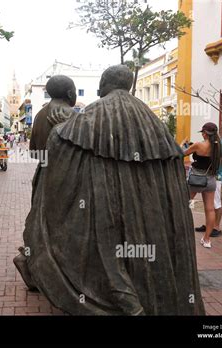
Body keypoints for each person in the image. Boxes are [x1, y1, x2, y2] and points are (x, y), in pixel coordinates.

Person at [17, 65, 204, 315]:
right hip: (146, 219)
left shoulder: (87, 117)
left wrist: (61, 130)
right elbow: (171, 162)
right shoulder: (153, 121)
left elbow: (59, 148)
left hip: (106, 205)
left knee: (107, 251)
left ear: (104, 84)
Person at [13, 75, 77, 291]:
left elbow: (34, 151)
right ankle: (50, 274)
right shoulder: (69, 115)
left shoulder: (40, 114)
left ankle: (31, 263)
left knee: (41, 223)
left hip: (43, 174)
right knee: (62, 228)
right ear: (70, 93)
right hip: (65, 178)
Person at [182, 122, 222, 249]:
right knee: (210, 210)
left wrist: (183, 143)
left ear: (205, 133)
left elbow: (181, 153)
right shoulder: (218, 146)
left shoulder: (198, 145)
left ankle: (181, 234)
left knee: (185, 204)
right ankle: (206, 240)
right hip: (210, 180)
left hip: (195, 179)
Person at [29, 75, 77, 154]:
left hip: (44, 165)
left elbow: (33, 152)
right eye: (75, 91)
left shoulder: (38, 115)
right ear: (70, 94)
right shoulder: (73, 115)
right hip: (66, 165)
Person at [194, 134, 222, 237]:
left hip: (216, 177)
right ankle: (209, 225)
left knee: (216, 203)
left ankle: (216, 227)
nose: (203, 135)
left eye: (204, 133)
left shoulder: (218, 144)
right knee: (209, 205)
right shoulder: (210, 143)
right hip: (209, 176)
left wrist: (219, 174)